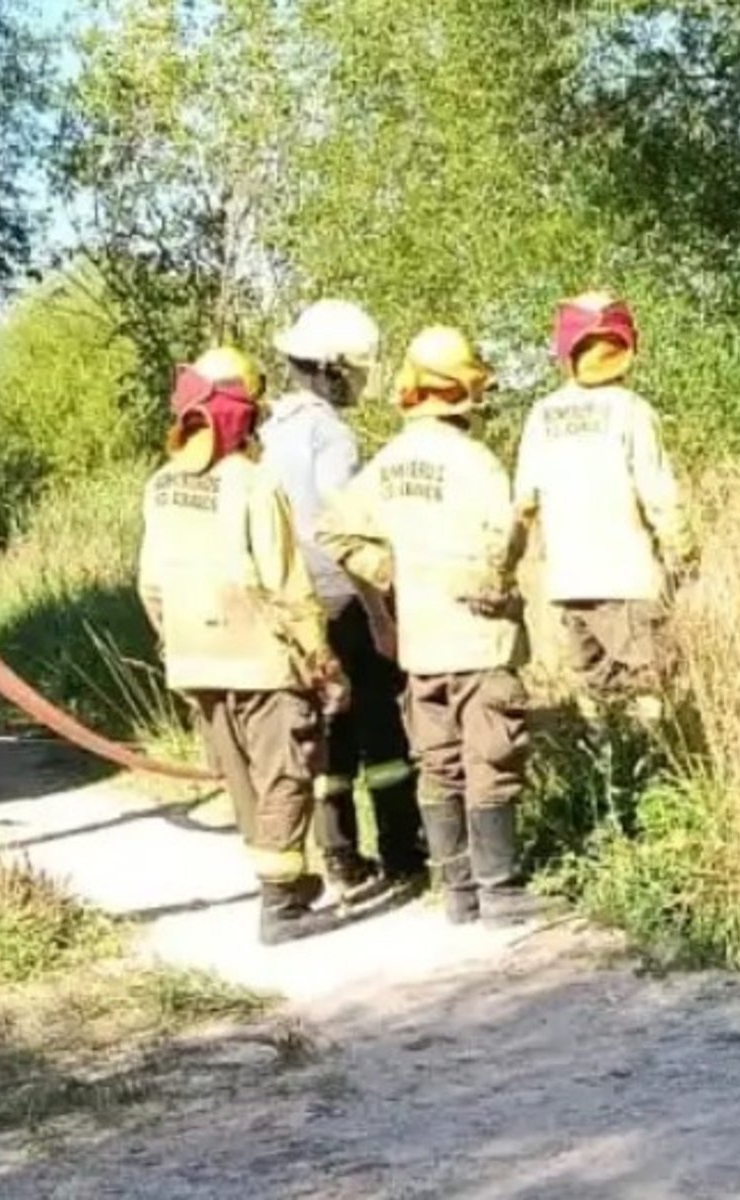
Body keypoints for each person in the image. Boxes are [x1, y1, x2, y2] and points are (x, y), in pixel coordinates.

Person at [317, 326, 530, 927]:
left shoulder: (387, 462)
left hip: (422, 645)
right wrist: (509, 570)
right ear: (467, 391)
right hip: (479, 640)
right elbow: (499, 547)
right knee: (491, 757)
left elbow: (333, 530)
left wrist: (386, 572)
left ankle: (457, 894)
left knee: (439, 763)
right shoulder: (476, 461)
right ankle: (502, 892)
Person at [138, 346, 347, 946]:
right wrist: (319, 655)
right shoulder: (255, 484)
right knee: (285, 770)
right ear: (245, 416)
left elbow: (150, 582)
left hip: (193, 658)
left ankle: (282, 883)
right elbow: (285, 582)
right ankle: (280, 906)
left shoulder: (161, 486)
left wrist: (171, 638)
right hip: (260, 655)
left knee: (241, 779)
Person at [260, 299, 427, 898]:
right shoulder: (331, 434)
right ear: (331, 368)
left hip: (294, 608)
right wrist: (381, 610)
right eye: (354, 368)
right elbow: (344, 527)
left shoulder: (271, 428)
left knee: (327, 736)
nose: (359, 379)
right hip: (342, 600)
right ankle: (403, 854)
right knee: (381, 733)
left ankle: (339, 856)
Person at [513, 291, 694, 723]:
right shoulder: (632, 410)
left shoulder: (543, 414)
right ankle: (648, 771)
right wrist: (683, 551)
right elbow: (659, 494)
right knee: (648, 684)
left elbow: (523, 502)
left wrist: (510, 567)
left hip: (569, 581)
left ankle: (606, 772)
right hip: (630, 578)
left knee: (593, 687)